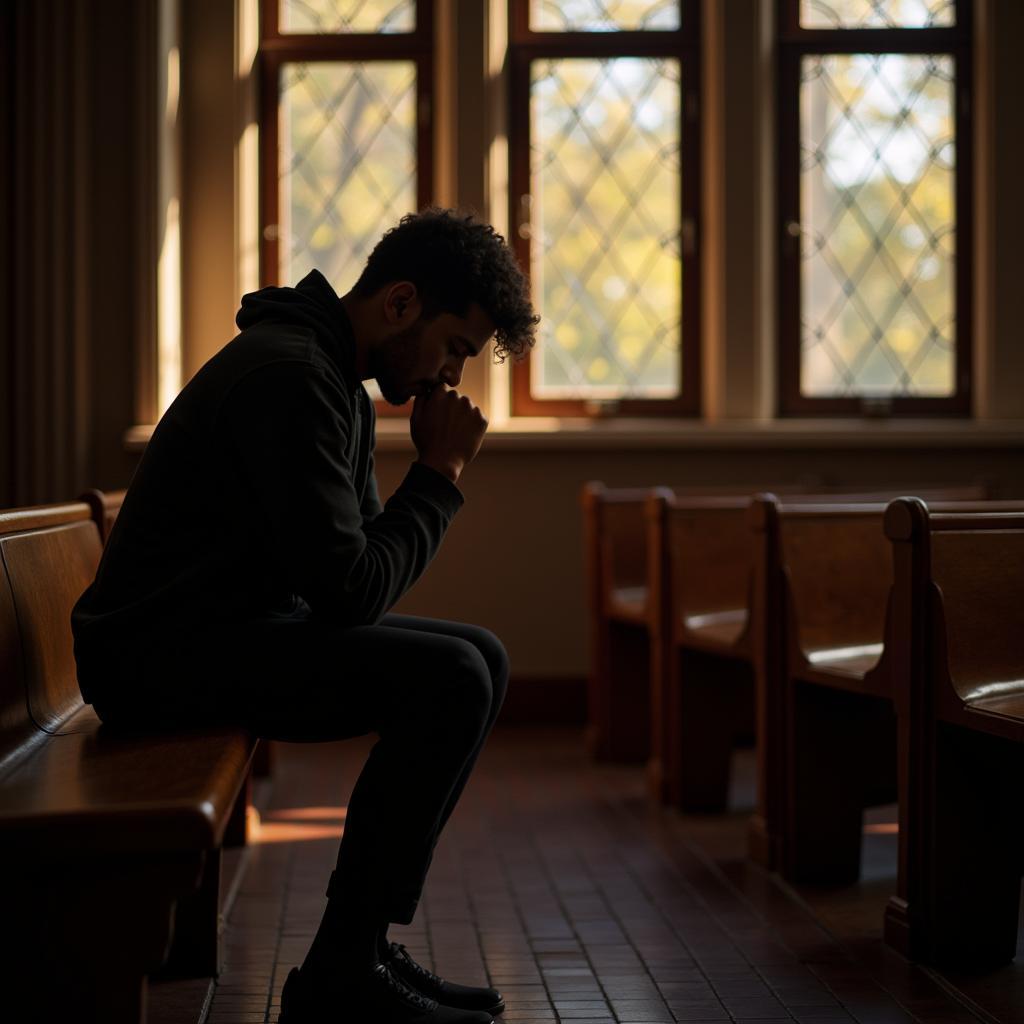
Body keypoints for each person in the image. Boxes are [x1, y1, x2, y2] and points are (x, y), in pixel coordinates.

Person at [71, 209, 539, 1024]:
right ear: (401, 304)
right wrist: (440, 474)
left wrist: (432, 479)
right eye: (455, 348)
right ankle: (341, 971)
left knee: (481, 659)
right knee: (456, 677)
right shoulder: (289, 376)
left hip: (212, 635)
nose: (450, 378)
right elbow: (352, 593)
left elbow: (352, 577)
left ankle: (357, 951)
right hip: (157, 658)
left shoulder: (331, 380)